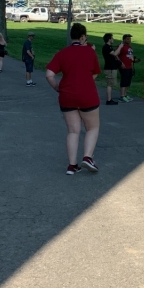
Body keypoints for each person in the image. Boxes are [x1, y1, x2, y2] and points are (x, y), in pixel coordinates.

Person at [45, 23, 102, 175]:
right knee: (92, 127)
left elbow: (49, 74)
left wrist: (57, 87)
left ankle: (72, 165)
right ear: (83, 37)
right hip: (87, 94)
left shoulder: (62, 53)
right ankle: (88, 157)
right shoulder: (90, 52)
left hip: (67, 96)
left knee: (73, 131)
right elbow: (95, 73)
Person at [101, 32, 122, 106]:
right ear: (109, 39)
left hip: (112, 67)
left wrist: (119, 47)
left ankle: (110, 99)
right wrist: (120, 47)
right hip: (109, 68)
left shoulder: (109, 47)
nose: (113, 39)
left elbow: (116, 53)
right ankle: (109, 100)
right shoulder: (106, 47)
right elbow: (115, 54)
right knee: (110, 84)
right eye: (112, 38)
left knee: (111, 84)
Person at [118, 33, 136, 102]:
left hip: (129, 66)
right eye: (128, 39)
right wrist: (120, 63)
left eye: (130, 39)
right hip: (124, 66)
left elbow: (130, 57)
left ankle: (125, 94)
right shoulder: (121, 46)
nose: (129, 40)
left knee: (128, 81)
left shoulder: (130, 47)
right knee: (124, 81)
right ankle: (122, 96)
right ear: (124, 39)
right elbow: (117, 55)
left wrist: (134, 61)